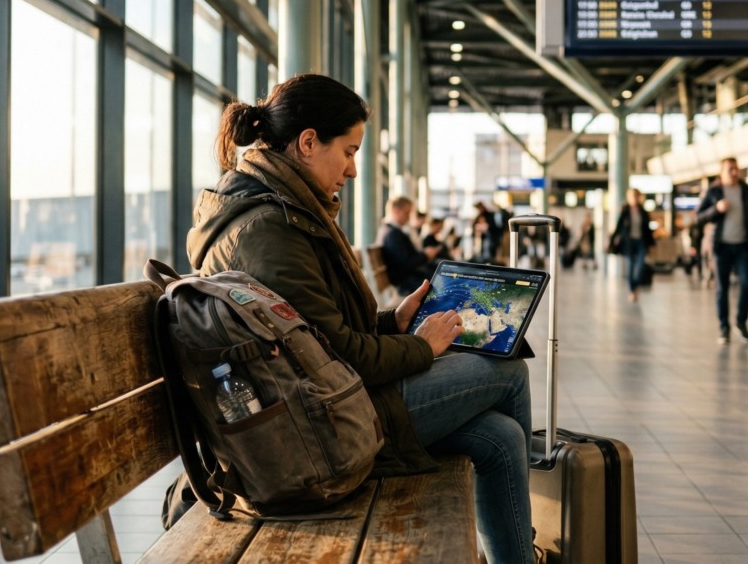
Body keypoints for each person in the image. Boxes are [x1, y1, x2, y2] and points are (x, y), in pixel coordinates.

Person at [186, 74, 535, 563]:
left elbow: (316, 339)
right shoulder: (270, 230)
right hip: (313, 435)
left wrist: (395, 321)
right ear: (308, 142)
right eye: (348, 151)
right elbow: (343, 356)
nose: (351, 170)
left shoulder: (273, 210)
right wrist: (422, 345)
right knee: (507, 369)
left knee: (501, 437)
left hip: (315, 407)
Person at [695, 158, 748, 344]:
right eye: (730, 169)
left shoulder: (747, 191)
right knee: (722, 288)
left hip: (743, 246)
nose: (734, 172)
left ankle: (741, 322)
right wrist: (716, 209)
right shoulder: (714, 192)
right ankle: (724, 327)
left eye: (736, 169)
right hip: (721, 246)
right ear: (721, 172)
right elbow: (699, 217)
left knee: (747, 284)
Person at [377, 197, 445, 296]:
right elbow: (406, 265)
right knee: (444, 282)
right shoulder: (393, 234)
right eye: (407, 213)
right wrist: (425, 255)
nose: (409, 217)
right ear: (396, 211)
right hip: (406, 282)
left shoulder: (390, 231)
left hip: (405, 279)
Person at [609, 188, 656, 303]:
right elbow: (619, 226)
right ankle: (632, 290)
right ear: (629, 198)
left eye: (636, 196)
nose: (634, 199)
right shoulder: (625, 210)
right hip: (629, 242)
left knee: (640, 267)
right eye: (632, 196)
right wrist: (612, 240)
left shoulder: (643, 211)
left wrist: (652, 244)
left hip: (641, 242)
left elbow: (648, 230)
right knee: (630, 267)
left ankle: (636, 286)